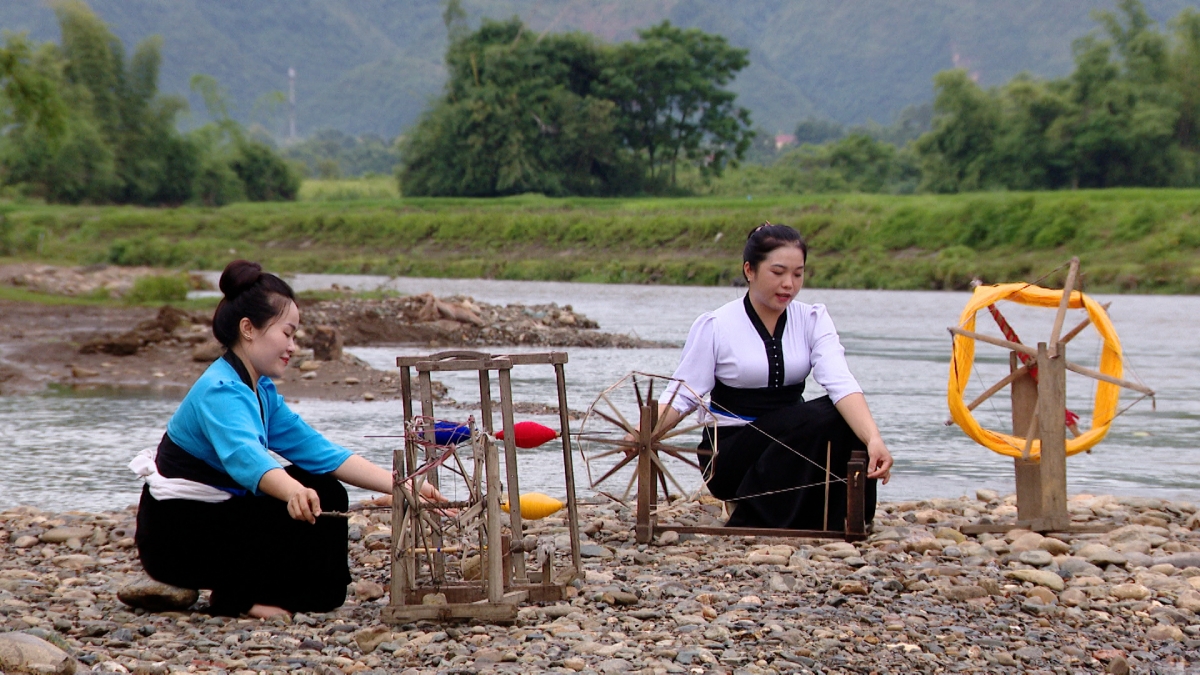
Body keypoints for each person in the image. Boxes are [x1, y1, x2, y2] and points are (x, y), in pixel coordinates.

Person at [133, 260, 443, 618]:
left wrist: (403, 486)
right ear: (248, 329)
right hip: (177, 538)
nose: (293, 346)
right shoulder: (220, 389)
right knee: (302, 493)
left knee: (324, 492)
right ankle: (236, 599)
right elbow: (246, 458)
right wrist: (293, 492)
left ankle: (264, 592)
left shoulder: (260, 389)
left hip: (216, 521)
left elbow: (320, 452)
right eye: (287, 333)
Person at [656, 223, 893, 530]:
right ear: (749, 271)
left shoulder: (812, 319)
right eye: (778, 272)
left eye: (798, 273)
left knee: (843, 416)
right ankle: (755, 513)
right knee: (826, 415)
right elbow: (685, 393)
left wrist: (873, 439)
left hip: (792, 443)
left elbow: (840, 382)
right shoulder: (716, 325)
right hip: (730, 452)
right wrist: (645, 432)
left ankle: (844, 515)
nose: (789, 284)